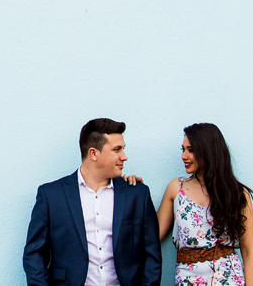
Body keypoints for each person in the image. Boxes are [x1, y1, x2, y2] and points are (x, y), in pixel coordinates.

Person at [23, 118, 162, 286]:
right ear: (93, 153)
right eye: (116, 150)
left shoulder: (137, 194)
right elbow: (34, 254)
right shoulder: (51, 195)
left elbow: (152, 255)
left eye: (123, 149)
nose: (124, 157)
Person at [156, 123, 253, 286]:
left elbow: (249, 250)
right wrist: (130, 189)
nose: (184, 156)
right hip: (187, 280)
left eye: (191, 150)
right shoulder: (176, 189)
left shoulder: (237, 194)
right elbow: (151, 237)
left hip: (230, 279)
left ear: (208, 151)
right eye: (183, 150)